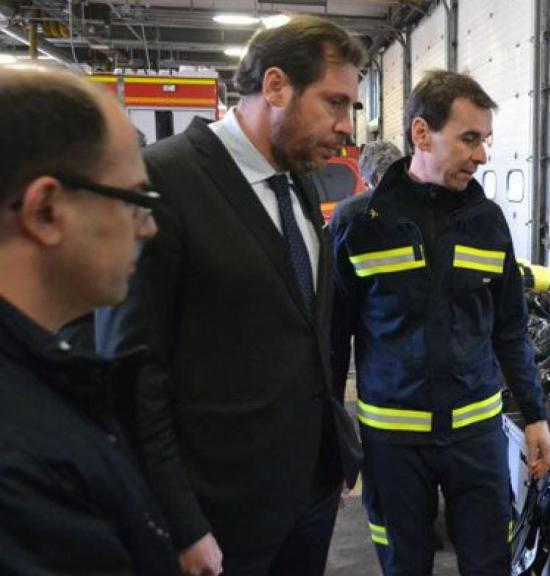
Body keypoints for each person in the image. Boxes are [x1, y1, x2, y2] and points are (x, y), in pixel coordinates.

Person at [95, 15, 366, 576]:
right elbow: (130, 376)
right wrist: (178, 522)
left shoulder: (299, 180)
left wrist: (327, 459)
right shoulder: (162, 182)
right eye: (334, 104)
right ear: (275, 86)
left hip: (307, 497)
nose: (346, 126)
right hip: (216, 514)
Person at [332, 69, 550, 574]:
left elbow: (510, 329)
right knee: (405, 565)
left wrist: (536, 414)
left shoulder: (489, 223)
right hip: (393, 443)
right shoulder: (357, 225)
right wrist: (330, 438)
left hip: (476, 437)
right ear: (421, 134)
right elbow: (329, 342)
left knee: (488, 561)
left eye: (485, 141)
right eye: (470, 138)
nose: (481, 155)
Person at [0, 64, 174, 574]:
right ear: (47, 212)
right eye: (136, 201)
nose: (149, 228)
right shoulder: (23, 465)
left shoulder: (43, 378)